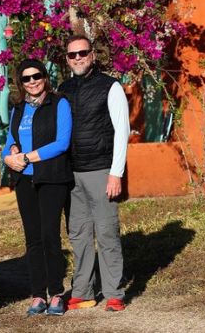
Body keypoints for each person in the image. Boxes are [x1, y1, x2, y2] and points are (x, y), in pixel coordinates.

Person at [58, 35, 130, 312]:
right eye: (72, 54)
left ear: (92, 55)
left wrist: (116, 173)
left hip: (101, 170)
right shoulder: (63, 89)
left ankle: (113, 292)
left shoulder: (110, 86)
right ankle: (83, 291)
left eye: (83, 53)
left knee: (107, 232)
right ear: (67, 59)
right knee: (78, 234)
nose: (77, 58)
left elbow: (122, 131)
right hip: (71, 173)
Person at [2, 59, 73, 317]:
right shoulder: (18, 108)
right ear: (20, 83)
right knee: (32, 239)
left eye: (36, 76)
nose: (32, 82)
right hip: (24, 181)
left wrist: (27, 157)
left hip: (52, 178)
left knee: (50, 236)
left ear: (44, 76)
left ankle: (56, 293)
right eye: (26, 78)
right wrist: (8, 154)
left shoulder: (59, 103)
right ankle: (37, 295)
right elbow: (10, 138)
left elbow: (62, 142)